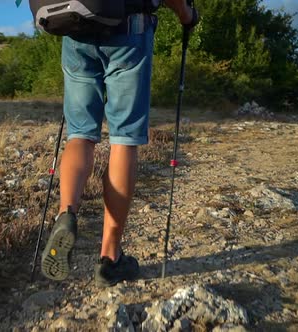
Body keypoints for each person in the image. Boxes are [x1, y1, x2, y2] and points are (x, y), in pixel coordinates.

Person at [41, 0, 198, 287]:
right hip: (129, 29)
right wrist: (187, 15)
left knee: (80, 134)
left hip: (75, 28)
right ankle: (110, 258)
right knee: (124, 139)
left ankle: (66, 214)